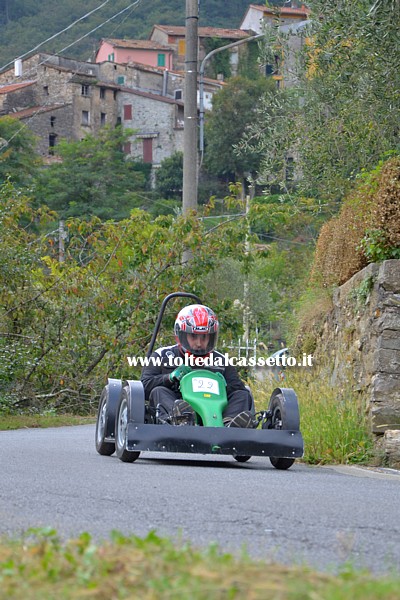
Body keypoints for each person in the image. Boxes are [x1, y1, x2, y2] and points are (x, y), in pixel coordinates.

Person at [141, 304, 255, 427]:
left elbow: (239, 390)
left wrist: (224, 386)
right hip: (177, 405)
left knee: (243, 394)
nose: (199, 343)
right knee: (159, 391)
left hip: (216, 410)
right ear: (181, 335)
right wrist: (169, 378)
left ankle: (230, 425)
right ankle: (183, 420)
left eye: (204, 337)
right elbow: (143, 387)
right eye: (194, 336)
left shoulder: (221, 361)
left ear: (211, 337)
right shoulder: (162, 356)